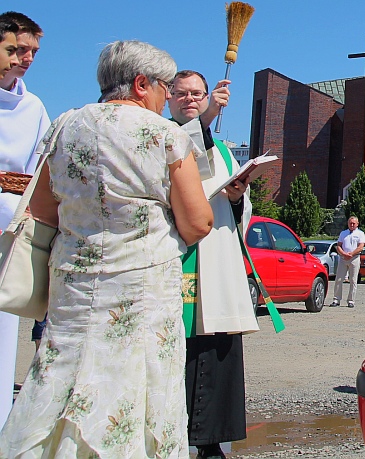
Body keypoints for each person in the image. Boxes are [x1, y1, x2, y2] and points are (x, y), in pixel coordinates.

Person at [0, 40, 214, 458]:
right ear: (140, 84)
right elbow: (198, 221)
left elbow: (42, 209)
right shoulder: (164, 133)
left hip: (74, 282)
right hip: (141, 286)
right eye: (165, 87)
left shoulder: (64, 124)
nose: (167, 96)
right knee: (137, 378)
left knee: (62, 372)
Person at [168, 70, 256, 459]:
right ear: (167, 97)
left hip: (216, 259)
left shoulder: (220, 148)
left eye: (197, 94)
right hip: (179, 257)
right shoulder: (161, 135)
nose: (189, 99)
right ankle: (171, 434)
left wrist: (237, 197)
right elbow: (182, 159)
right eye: (181, 93)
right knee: (178, 352)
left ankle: (210, 440)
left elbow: (235, 209)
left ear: (206, 96)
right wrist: (202, 122)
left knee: (217, 350)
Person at [0, 12, 48, 429]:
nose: (24, 58)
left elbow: (43, 165)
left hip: (10, 216)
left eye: (31, 51)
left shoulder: (33, 107)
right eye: (14, 49)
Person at [330, 216, 365, 308]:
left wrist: (351, 254)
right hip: (343, 258)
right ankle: (336, 299)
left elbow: (361, 246)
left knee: (353, 280)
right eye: (350, 223)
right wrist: (343, 254)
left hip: (354, 258)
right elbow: (338, 245)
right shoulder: (343, 233)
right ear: (348, 223)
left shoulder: (360, 234)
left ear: (357, 224)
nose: (352, 225)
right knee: (339, 279)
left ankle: (351, 301)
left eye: (354, 223)